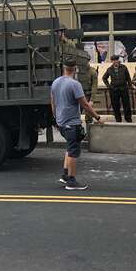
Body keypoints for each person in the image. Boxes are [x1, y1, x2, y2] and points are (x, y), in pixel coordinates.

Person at [51, 57, 102, 191]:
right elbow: (84, 104)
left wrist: (56, 118)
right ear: (75, 69)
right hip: (72, 123)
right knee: (73, 151)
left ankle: (65, 175)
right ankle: (71, 181)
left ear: (63, 68)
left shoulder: (55, 83)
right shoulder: (75, 84)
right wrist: (97, 117)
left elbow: (53, 103)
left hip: (61, 122)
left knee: (69, 148)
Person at [102, 54, 133, 122]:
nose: (115, 61)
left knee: (126, 105)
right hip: (114, 90)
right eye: (113, 60)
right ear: (112, 61)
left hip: (124, 89)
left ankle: (128, 119)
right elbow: (104, 78)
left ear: (118, 60)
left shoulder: (124, 67)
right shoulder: (109, 69)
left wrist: (130, 86)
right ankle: (118, 119)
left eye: (116, 60)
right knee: (115, 105)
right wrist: (109, 86)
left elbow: (128, 78)